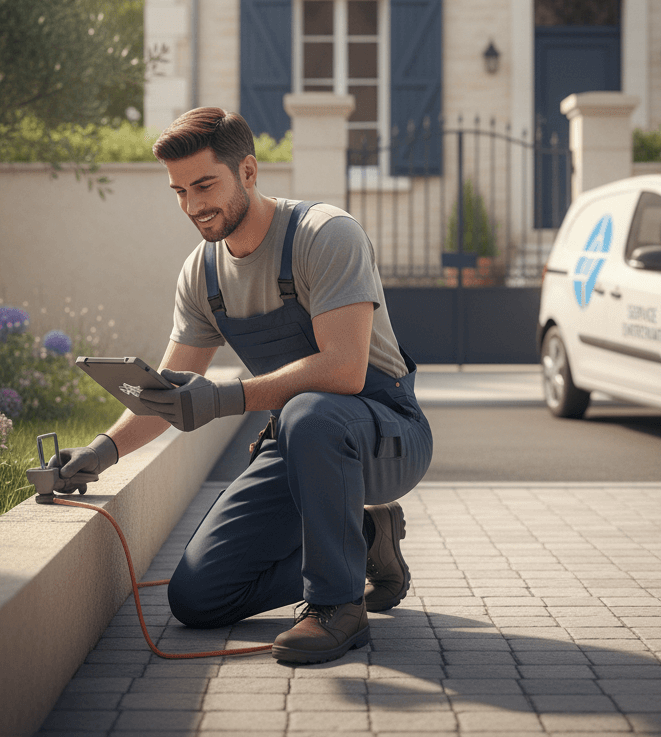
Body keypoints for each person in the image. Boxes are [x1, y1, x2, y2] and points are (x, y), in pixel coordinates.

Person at [51, 107, 433, 664]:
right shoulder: (202, 275)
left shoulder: (324, 235)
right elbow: (170, 394)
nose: (193, 206)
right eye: (179, 192)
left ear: (248, 172)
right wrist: (100, 452)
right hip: (301, 443)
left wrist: (228, 399)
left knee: (309, 414)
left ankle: (336, 608)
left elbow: (346, 370)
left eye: (204, 185)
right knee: (197, 598)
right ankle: (368, 540)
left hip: (385, 432)